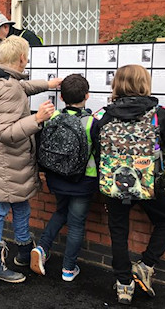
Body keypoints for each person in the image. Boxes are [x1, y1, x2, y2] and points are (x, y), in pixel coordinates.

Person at [0, 36, 61, 283]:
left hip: (2, 162)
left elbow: (22, 88)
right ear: (22, 58)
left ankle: (24, 254)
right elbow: (6, 133)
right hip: (8, 163)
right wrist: (37, 119)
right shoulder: (8, 88)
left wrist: (48, 84)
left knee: (21, 205)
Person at [90, 65, 165, 305]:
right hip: (148, 183)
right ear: (145, 84)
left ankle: (124, 284)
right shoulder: (157, 114)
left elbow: (96, 148)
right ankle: (146, 264)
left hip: (113, 183)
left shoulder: (102, 115)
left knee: (119, 232)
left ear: (117, 85)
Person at [31, 74, 97, 282]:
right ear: (87, 95)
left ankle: (41, 248)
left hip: (57, 178)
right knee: (76, 223)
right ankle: (68, 269)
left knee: (61, 211)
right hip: (83, 181)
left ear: (61, 98)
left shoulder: (53, 117)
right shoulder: (91, 123)